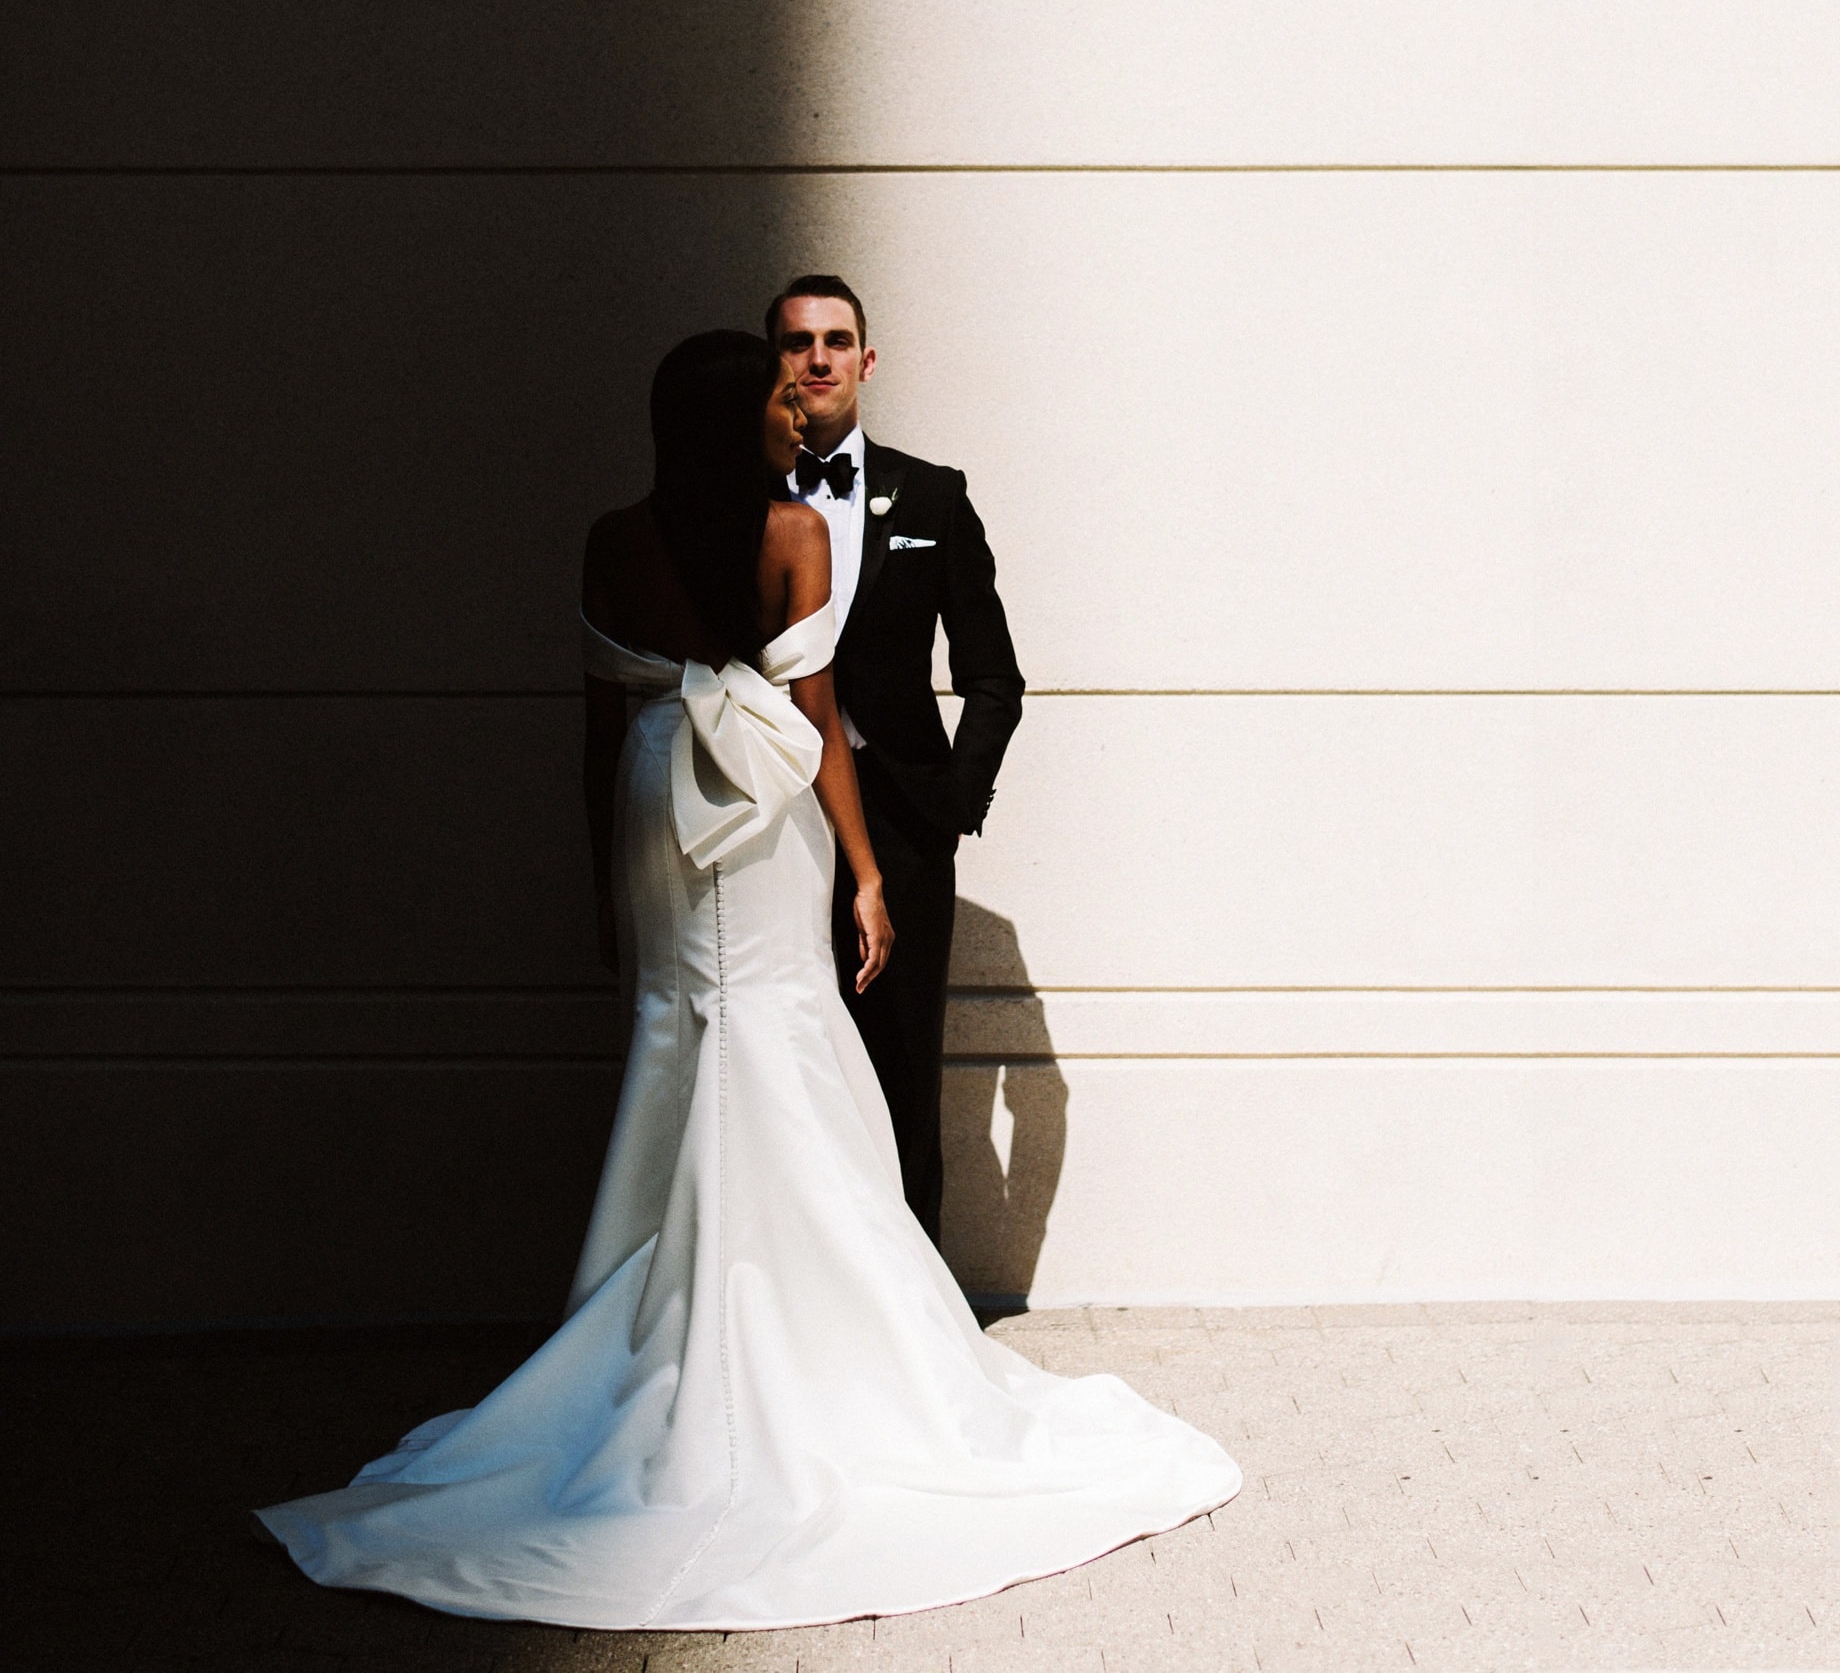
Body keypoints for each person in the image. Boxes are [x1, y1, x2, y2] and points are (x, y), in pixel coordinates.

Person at [255, 331, 1238, 1628]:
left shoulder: (614, 538)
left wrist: (605, 870)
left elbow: (600, 719)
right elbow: (817, 719)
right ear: (741, 422)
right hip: (761, 799)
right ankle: (814, 1338)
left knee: (683, 1035)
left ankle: (665, 1323)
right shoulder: (794, 535)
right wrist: (868, 872)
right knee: (781, 1032)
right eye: (780, 397)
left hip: (657, 802)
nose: (798, 410)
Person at [769, 273, 1022, 1241]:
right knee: (792, 1047)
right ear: (776, 361)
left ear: (866, 361)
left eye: (836, 341)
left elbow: (994, 675)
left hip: (903, 817)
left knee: (903, 1053)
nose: (818, 359)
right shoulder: (740, 500)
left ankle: (919, 1302)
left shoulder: (933, 495)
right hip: (774, 806)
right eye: (798, 342)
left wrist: (953, 795)